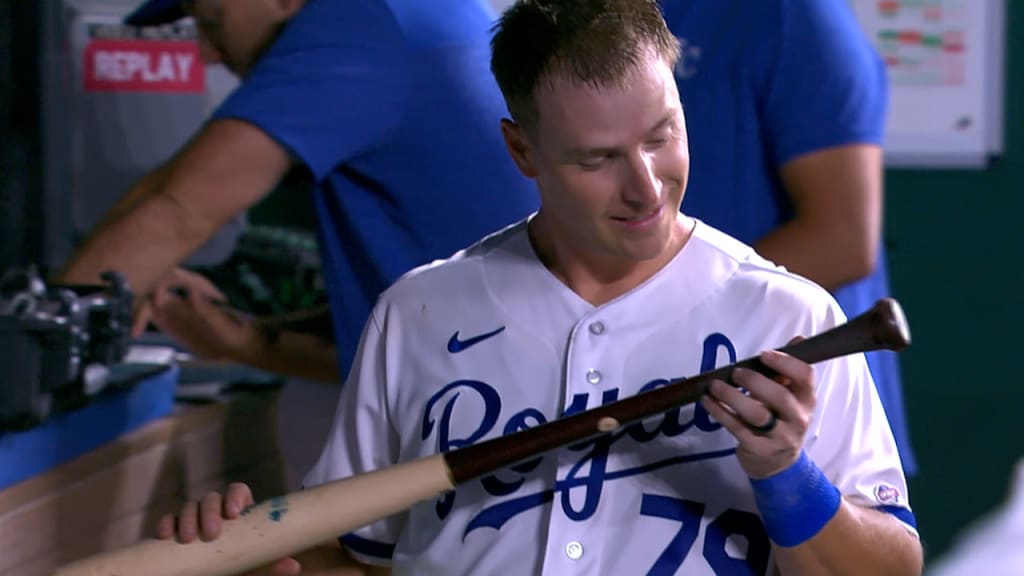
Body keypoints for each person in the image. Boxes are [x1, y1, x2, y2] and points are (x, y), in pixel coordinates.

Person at [159, 1, 923, 574]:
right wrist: (262, 557)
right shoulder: (419, 312)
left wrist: (786, 474)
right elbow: (351, 558)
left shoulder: (788, 315)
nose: (646, 187)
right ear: (520, 149)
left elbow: (890, 570)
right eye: (596, 160)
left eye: (662, 135)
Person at [54, 0, 539, 383]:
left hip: (489, 419)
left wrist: (36, 344)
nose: (205, 52)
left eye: (213, 22)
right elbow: (414, 335)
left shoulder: (357, 22)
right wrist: (249, 340)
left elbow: (177, 205)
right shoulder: (427, 12)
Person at [658, 0, 917, 476]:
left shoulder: (793, 14)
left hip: (796, 412)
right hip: (671, 404)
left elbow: (841, 240)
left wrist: (646, 322)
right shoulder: (594, 17)